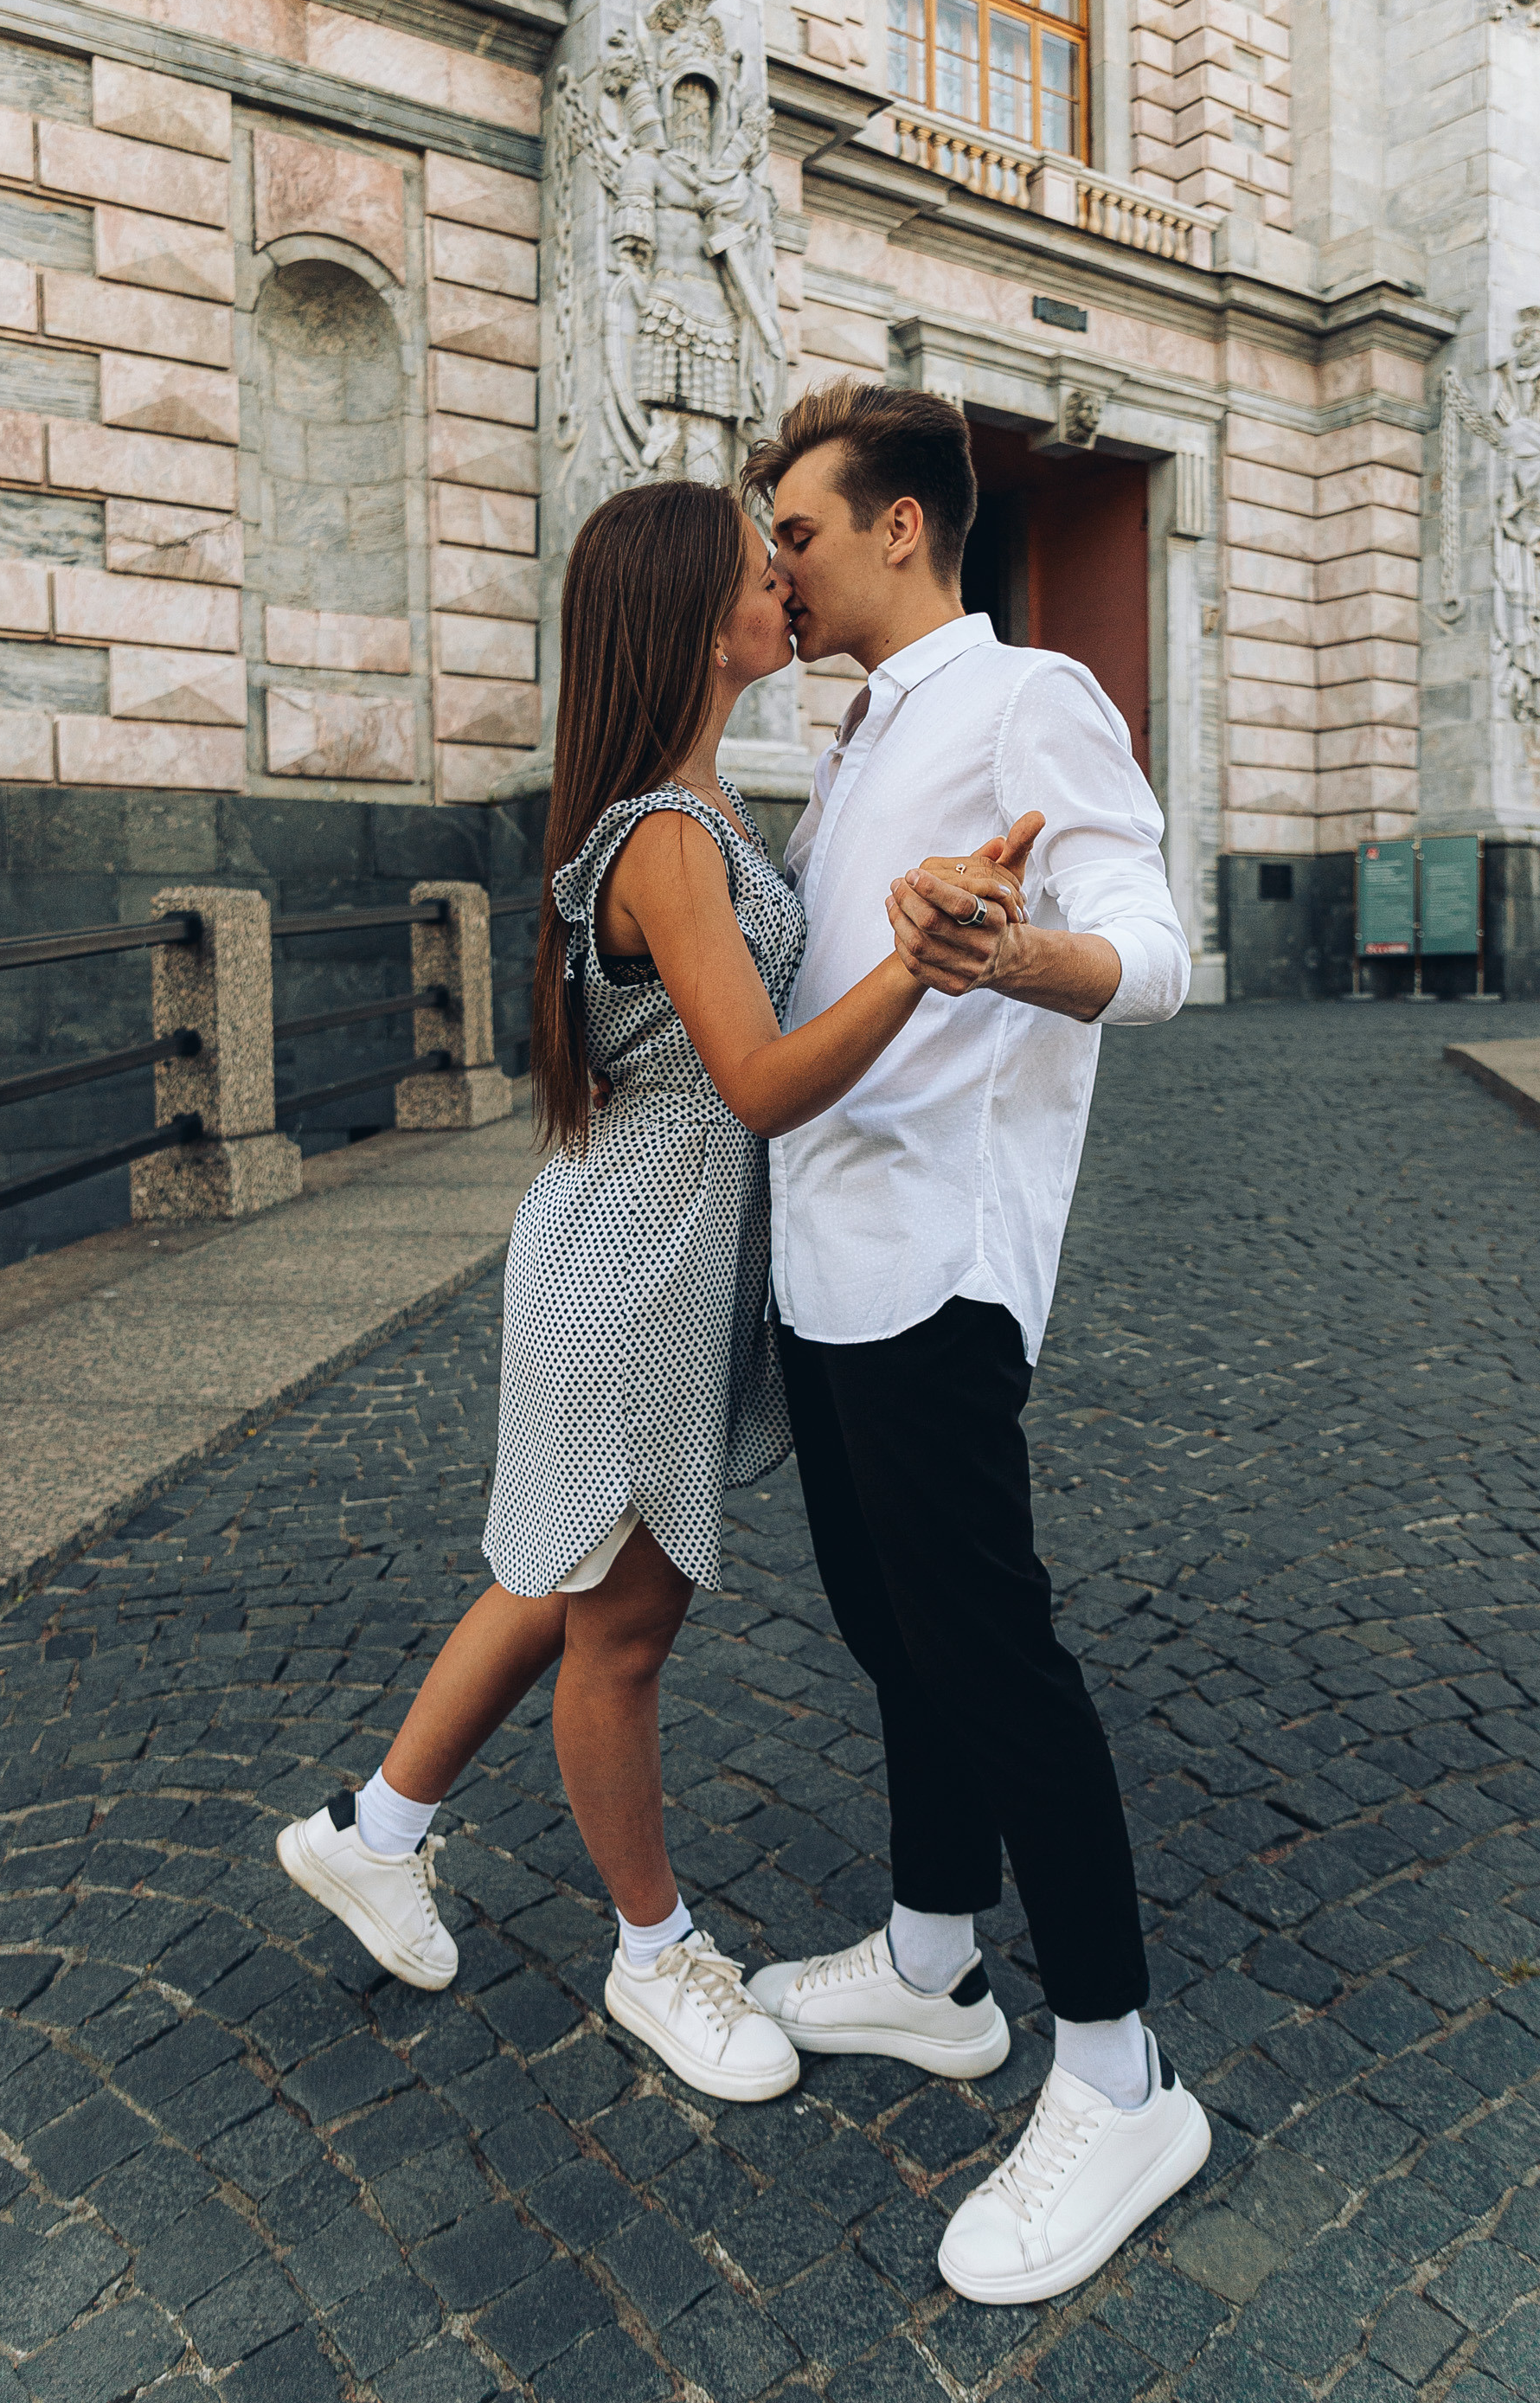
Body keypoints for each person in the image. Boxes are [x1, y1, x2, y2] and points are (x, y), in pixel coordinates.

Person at [274, 477, 1034, 2106]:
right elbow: (758, 1082)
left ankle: (376, 1830)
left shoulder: (690, 806)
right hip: (632, 1266)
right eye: (762, 572)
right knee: (622, 1625)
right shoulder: (671, 836)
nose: (786, 587)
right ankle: (651, 1952)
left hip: (643, 1247)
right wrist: (923, 964)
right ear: (698, 621)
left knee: (564, 1574)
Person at [738, 378, 1211, 2304]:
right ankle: (934, 1961)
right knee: (889, 1631)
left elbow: (1154, 952)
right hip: (826, 1258)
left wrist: (1016, 955)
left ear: (901, 527)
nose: (776, 565)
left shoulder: (1025, 696)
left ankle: (1117, 2071)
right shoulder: (859, 728)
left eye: (796, 531)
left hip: (938, 1259)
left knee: (995, 1657)